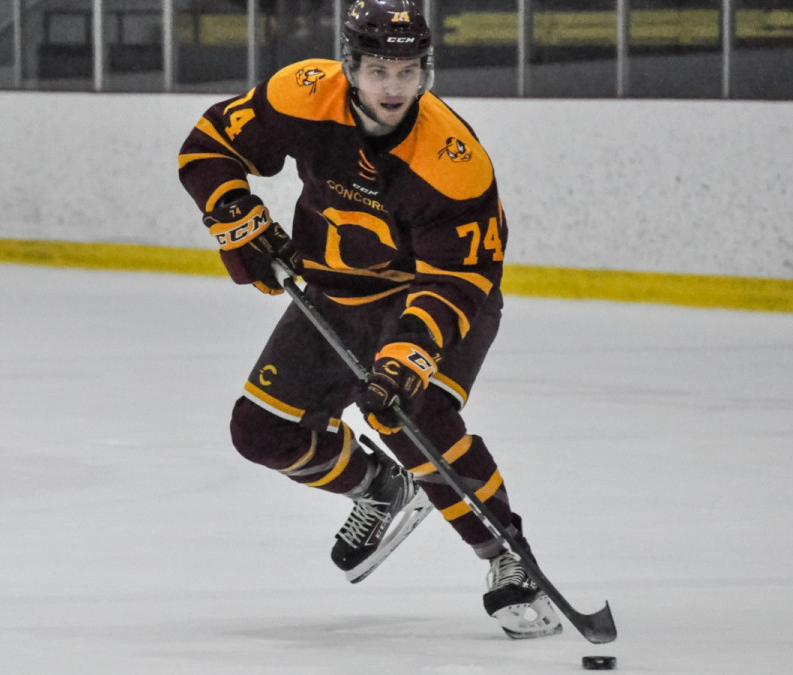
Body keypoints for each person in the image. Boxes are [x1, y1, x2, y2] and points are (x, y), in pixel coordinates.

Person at [178, 0, 561, 639]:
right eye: (379, 69)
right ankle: (381, 487)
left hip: (430, 297)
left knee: (408, 412)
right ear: (350, 66)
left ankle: (507, 556)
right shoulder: (302, 93)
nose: (393, 87)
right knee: (261, 431)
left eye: (408, 71)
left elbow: (461, 276)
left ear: (425, 72)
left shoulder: (452, 159)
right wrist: (238, 217)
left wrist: (409, 352)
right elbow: (208, 145)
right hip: (337, 290)